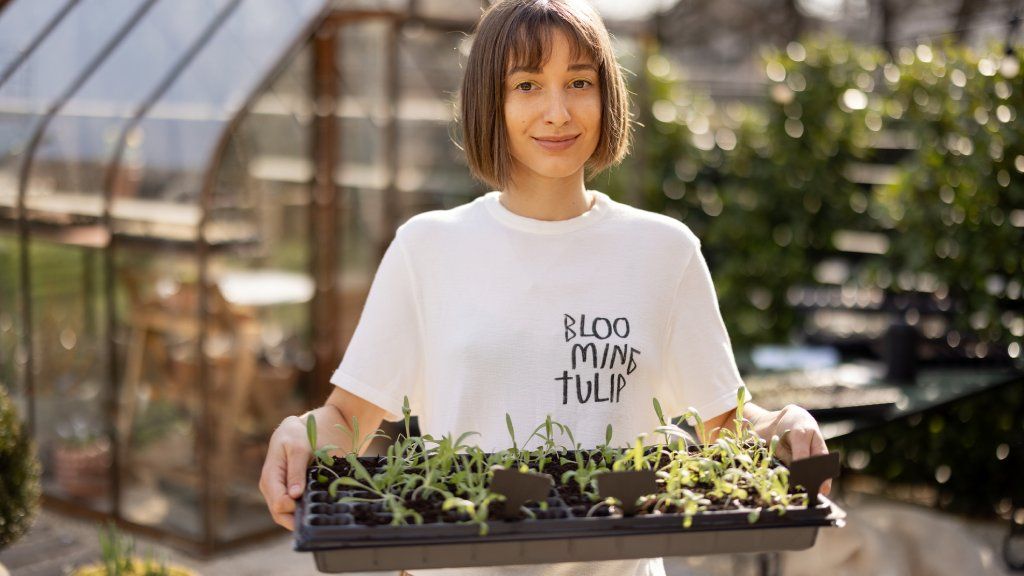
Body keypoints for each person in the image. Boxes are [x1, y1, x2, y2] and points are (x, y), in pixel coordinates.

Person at [259, 0, 830, 574]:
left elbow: (725, 425)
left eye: (579, 81)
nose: (558, 112)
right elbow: (348, 419)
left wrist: (780, 425)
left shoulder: (663, 250)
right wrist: (299, 431)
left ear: (607, 96)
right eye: (527, 84)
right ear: (492, 101)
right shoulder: (428, 248)